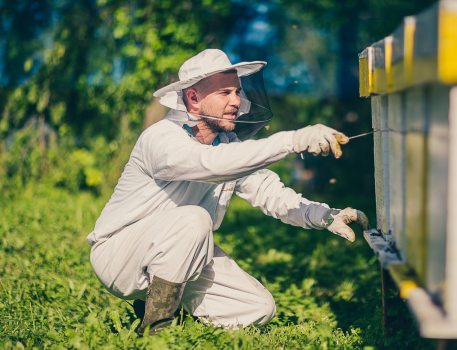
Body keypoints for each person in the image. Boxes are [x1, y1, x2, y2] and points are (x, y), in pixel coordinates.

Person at [87, 49, 369, 336]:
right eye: (224, 93)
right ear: (193, 98)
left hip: (181, 254)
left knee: (258, 307)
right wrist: (292, 140)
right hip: (120, 256)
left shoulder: (226, 144)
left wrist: (324, 215)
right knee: (194, 219)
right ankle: (154, 334)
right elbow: (210, 165)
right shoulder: (160, 139)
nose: (236, 101)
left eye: (237, 91)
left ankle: (171, 313)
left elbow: (269, 192)